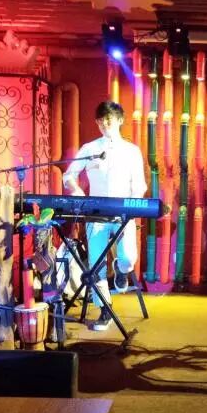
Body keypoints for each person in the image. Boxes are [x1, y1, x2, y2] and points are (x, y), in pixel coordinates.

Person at [63, 101, 147, 331]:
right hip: (96, 212)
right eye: (100, 120)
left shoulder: (132, 151)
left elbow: (139, 185)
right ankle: (104, 309)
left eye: (108, 119)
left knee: (128, 256)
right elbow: (68, 176)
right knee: (96, 263)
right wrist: (78, 192)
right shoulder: (90, 148)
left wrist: (133, 206)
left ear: (119, 120)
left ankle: (122, 268)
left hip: (123, 211)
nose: (104, 124)